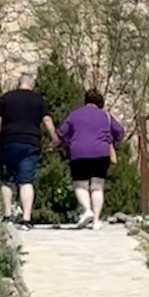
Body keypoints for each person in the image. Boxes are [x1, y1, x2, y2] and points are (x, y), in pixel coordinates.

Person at [0, 74, 57, 228]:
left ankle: (7, 216)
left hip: (9, 141)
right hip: (30, 142)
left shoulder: (6, 98)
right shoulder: (37, 99)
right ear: (32, 85)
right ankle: (26, 219)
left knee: (7, 180)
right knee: (26, 180)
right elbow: (47, 119)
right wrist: (55, 137)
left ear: (18, 83)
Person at [57, 88, 125, 228]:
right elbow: (120, 132)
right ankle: (96, 221)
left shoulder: (75, 115)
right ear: (100, 102)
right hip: (101, 153)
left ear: (85, 101)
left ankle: (87, 210)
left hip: (79, 153)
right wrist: (112, 142)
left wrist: (68, 143)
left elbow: (61, 132)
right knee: (97, 187)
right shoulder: (105, 115)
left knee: (80, 185)